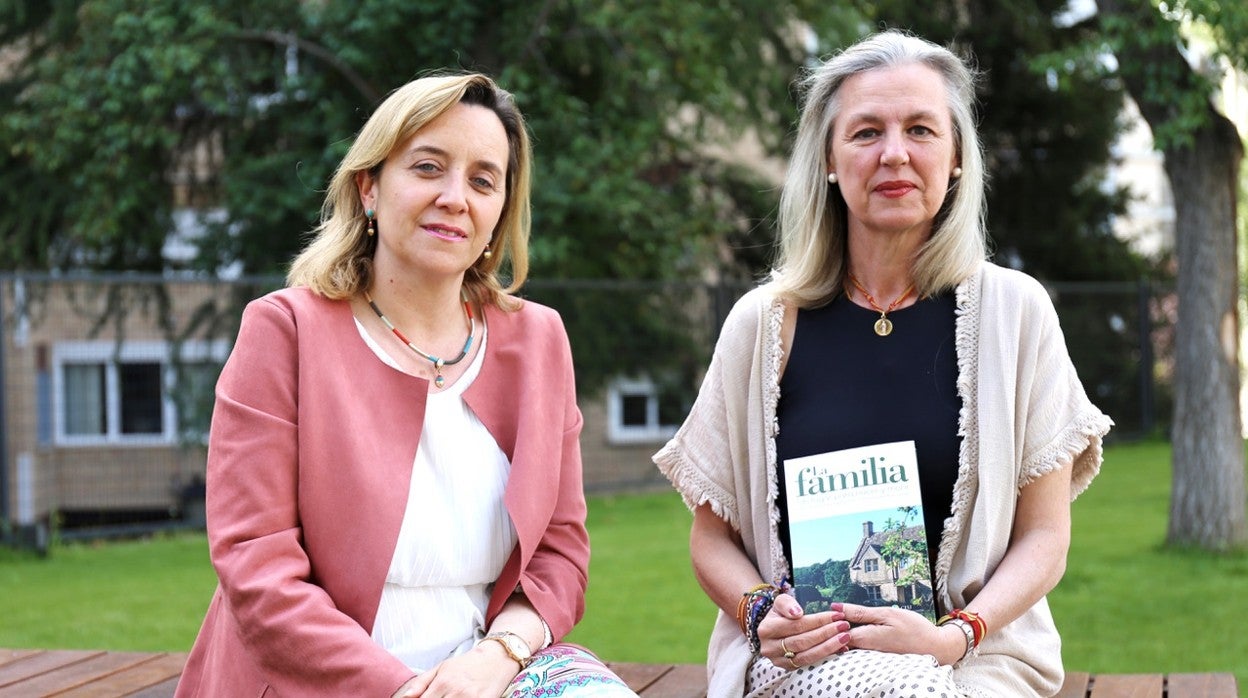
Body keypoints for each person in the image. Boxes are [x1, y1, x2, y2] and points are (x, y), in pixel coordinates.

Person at [654, 30, 1113, 698]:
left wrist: (956, 635)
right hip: (805, 661)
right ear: (830, 162)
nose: (894, 153)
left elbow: (1045, 538)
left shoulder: (1017, 313)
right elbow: (711, 539)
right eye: (866, 132)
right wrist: (758, 609)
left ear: (955, 156)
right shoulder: (760, 326)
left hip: (976, 656)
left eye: (921, 129)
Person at [176, 73, 637, 698]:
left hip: (488, 669)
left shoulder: (540, 341)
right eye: (428, 168)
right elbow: (257, 568)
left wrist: (496, 658)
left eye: (482, 180)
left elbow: (559, 555)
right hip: (324, 682)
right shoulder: (285, 332)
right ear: (369, 187)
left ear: (500, 209)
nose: (455, 197)